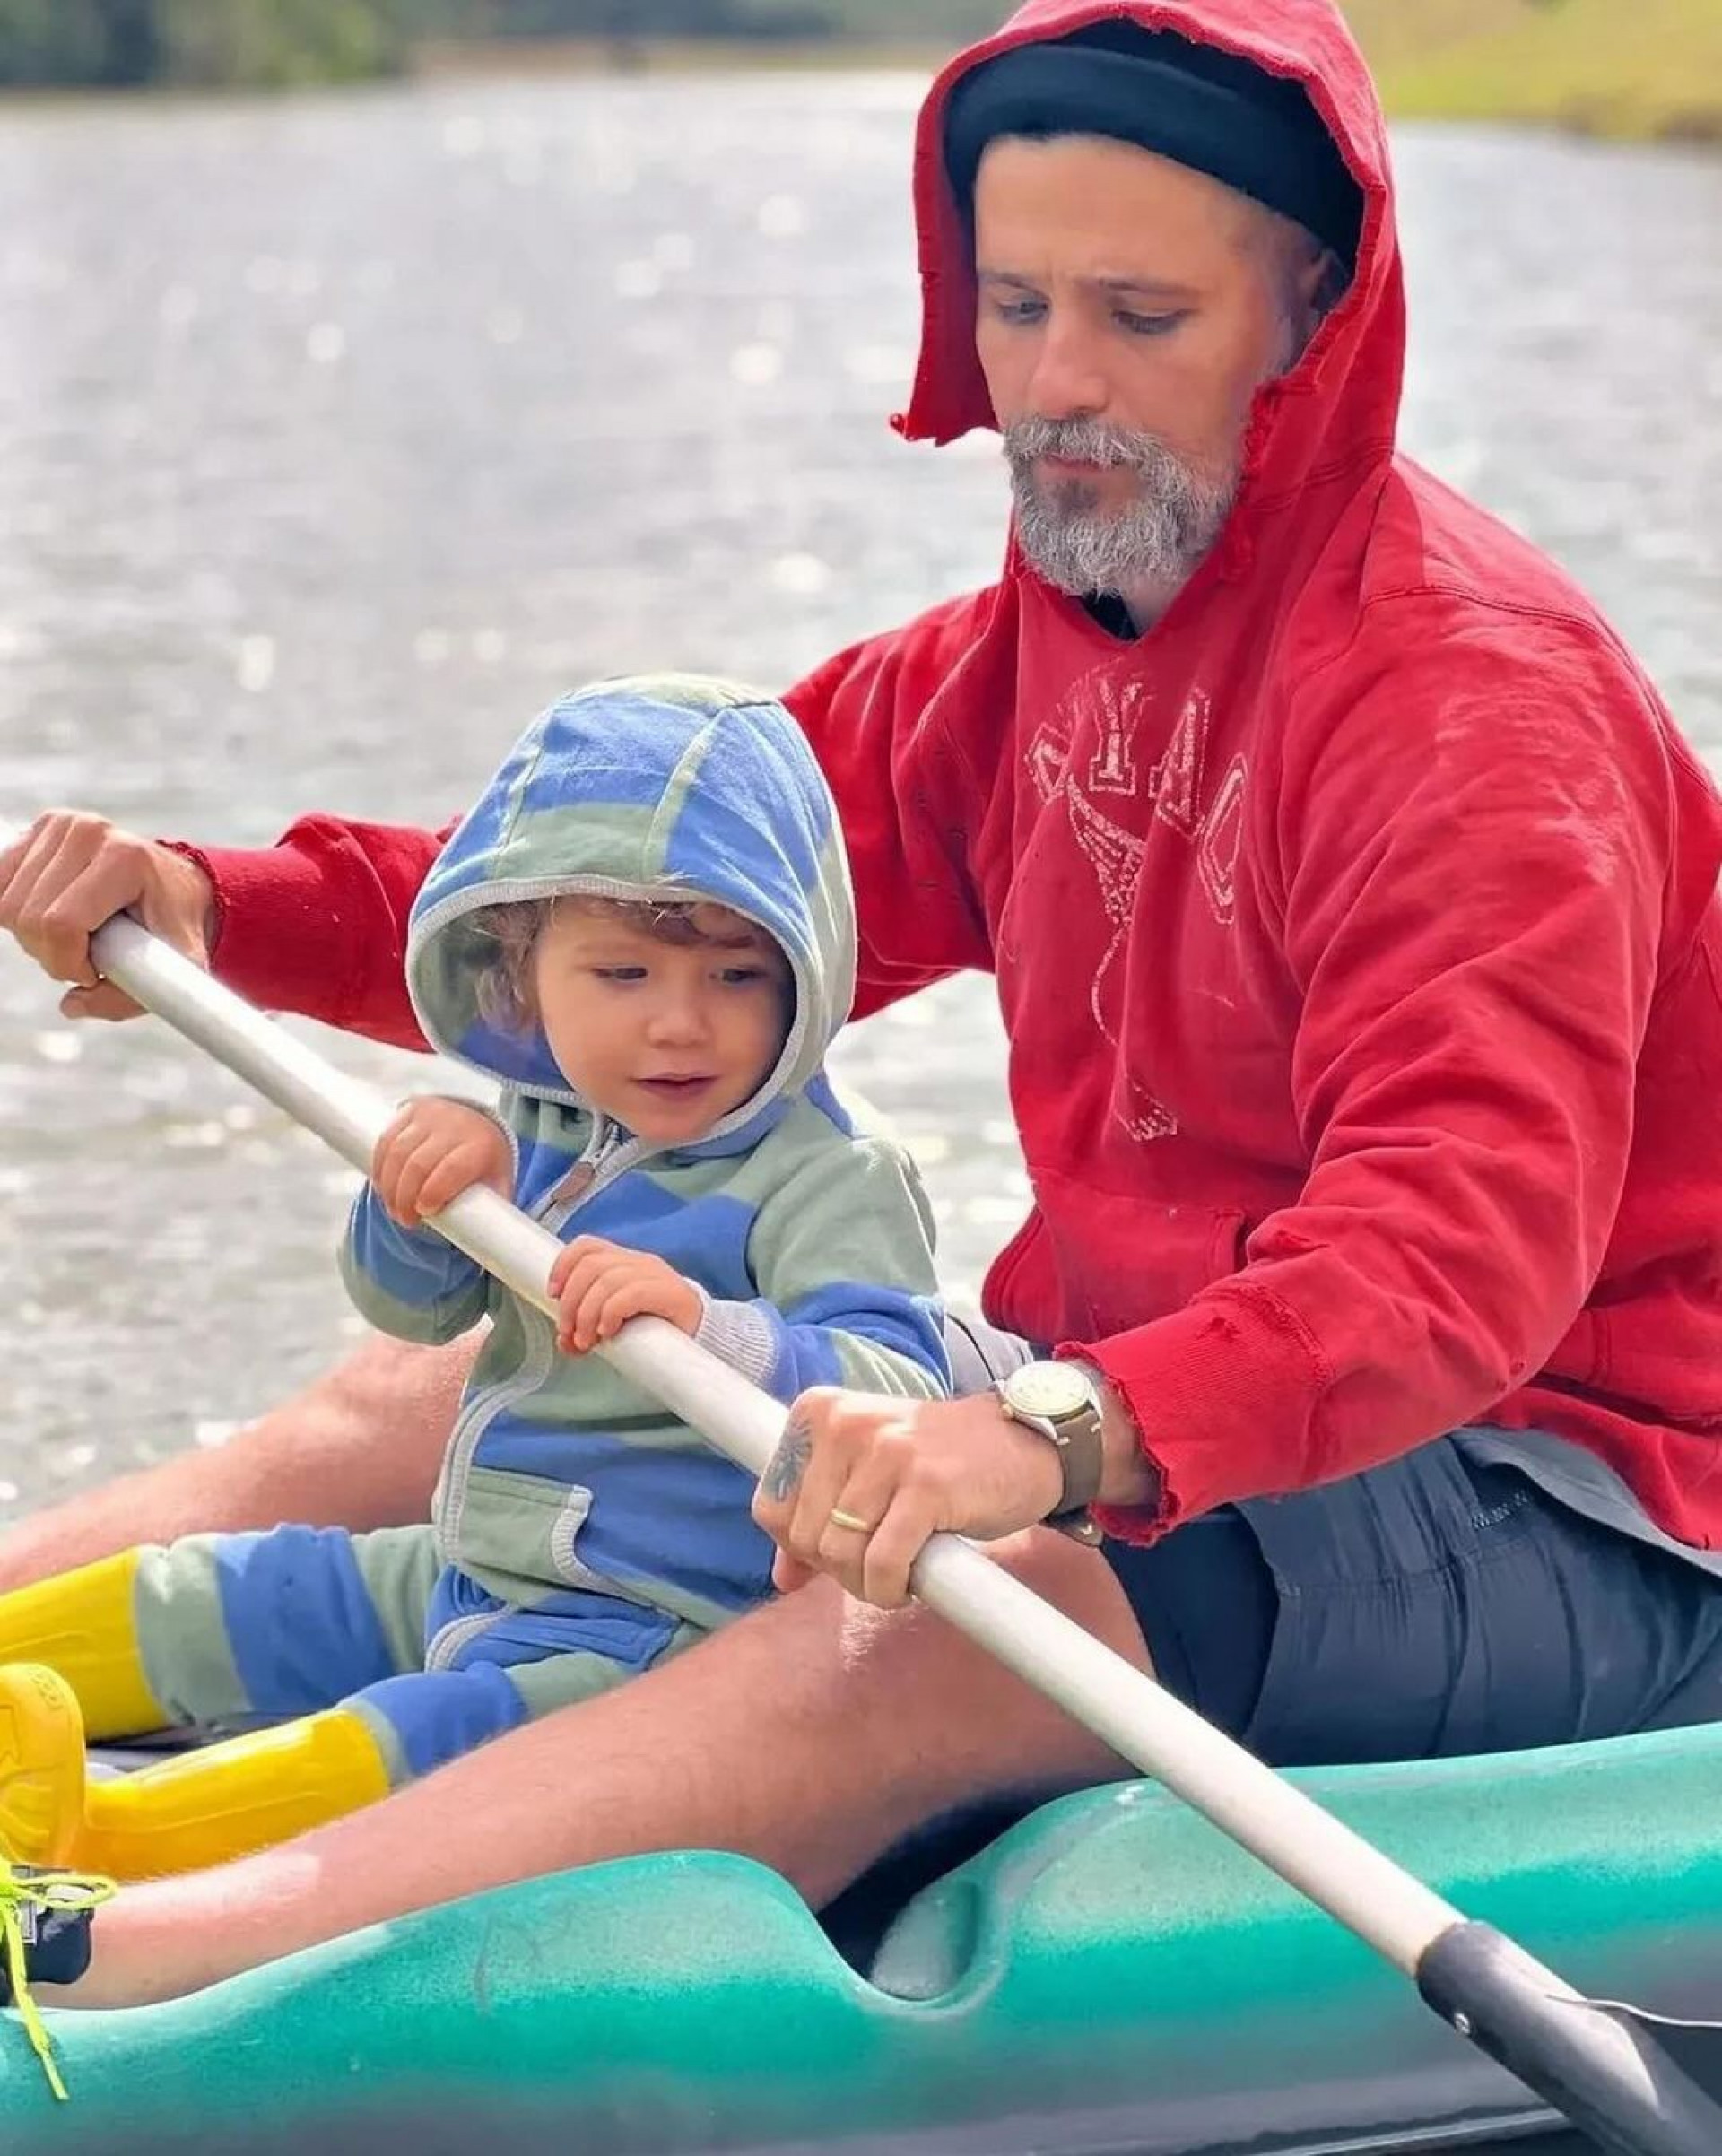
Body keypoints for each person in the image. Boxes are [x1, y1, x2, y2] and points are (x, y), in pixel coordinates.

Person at [5, 0, 1722, 2009]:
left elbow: (1453, 1259)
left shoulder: (1475, 717)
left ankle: (119, 1965)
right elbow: (602, 887)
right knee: (461, 1367)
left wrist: (1050, 1432)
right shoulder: (1016, 663)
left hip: (1563, 1495)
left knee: (936, 1613)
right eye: (1016, 304)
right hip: (1143, 1400)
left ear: (1309, 321)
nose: (1058, 385)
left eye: (1142, 316)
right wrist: (212, 899)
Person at [0, 674, 946, 1882]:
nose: (680, 1026)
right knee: (239, 1587)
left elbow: (894, 1387)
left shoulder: (830, 1172)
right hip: (475, 1559)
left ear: (805, 974)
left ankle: (100, 1841)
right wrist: (434, 1196)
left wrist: (711, 1328)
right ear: (520, 970)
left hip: (648, 1632)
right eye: (625, 977)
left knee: (422, 1740)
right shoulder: (548, 1115)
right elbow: (408, 1308)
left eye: (738, 978)